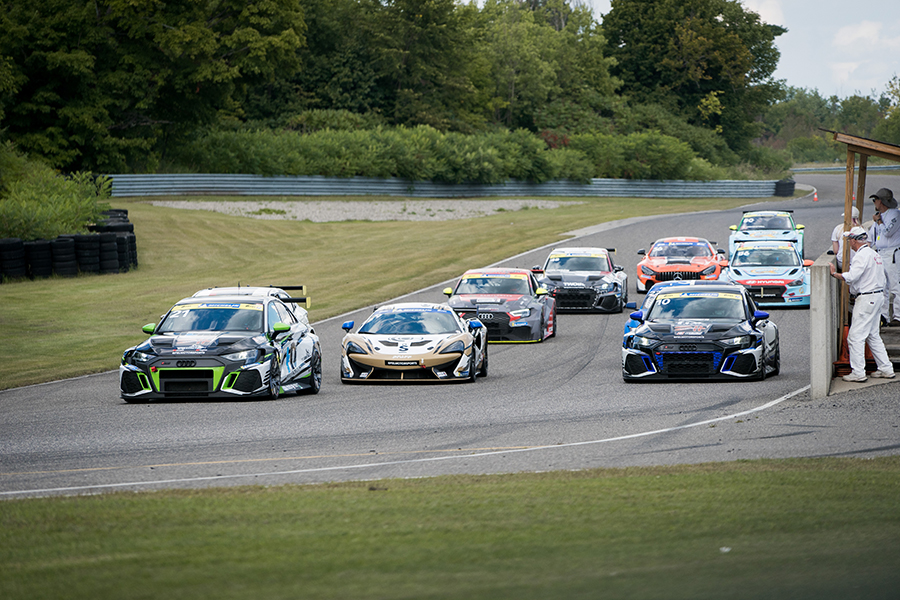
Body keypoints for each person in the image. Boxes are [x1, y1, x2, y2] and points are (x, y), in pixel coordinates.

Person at [829, 227, 896, 382]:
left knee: (855, 337)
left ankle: (858, 372)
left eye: (849, 240)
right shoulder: (874, 254)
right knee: (873, 335)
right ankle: (886, 368)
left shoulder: (861, 256)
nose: (849, 243)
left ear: (854, 240)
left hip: (866, 298)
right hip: (877, 297)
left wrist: (834, 274)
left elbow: (852, 277)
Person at [868, 188, 900, 326]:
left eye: (875, 200)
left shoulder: (895, 215)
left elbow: (887, 232)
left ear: (880, 201)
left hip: (892, 253)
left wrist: (879, 222)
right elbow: (872, 236)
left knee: (895, 285)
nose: (874, 203)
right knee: (882, 286)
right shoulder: (878, 216)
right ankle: (884, 316)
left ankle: (898, 316)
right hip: (881, 253)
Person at [831, 205, 860, 269]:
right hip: (858, 262)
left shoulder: (838, 228)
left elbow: (835, 250)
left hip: (841, 262)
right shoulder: (863, 230)